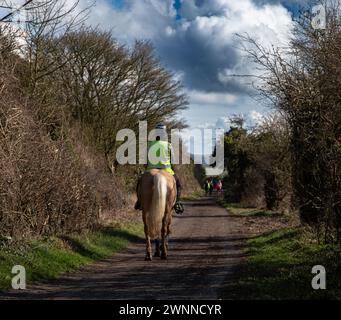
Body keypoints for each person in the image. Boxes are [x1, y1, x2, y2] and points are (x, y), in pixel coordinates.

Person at [134, 124, 184, 214]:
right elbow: (173, 161)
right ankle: (177, 203)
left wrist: (148, 167)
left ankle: (139, 202)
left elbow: (145, 161)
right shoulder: (169, 145)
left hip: (150, 169)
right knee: (178, 184)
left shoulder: (149, 145)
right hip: (167, 170)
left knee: (140, 182)